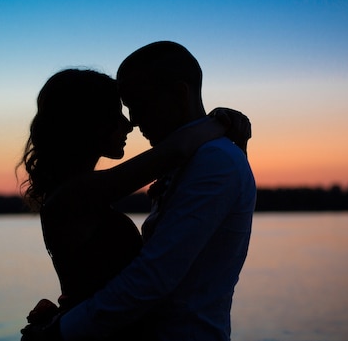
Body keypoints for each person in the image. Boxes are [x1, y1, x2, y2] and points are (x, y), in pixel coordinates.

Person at [26, 41, 256, 341]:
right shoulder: (77, 194)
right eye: (118, 111)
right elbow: (177, 149)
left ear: (178, 94)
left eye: (138, 104)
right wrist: (220, 122)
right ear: (86, 123)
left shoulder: (214, 161)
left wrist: (61, 325)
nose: (131, 122)